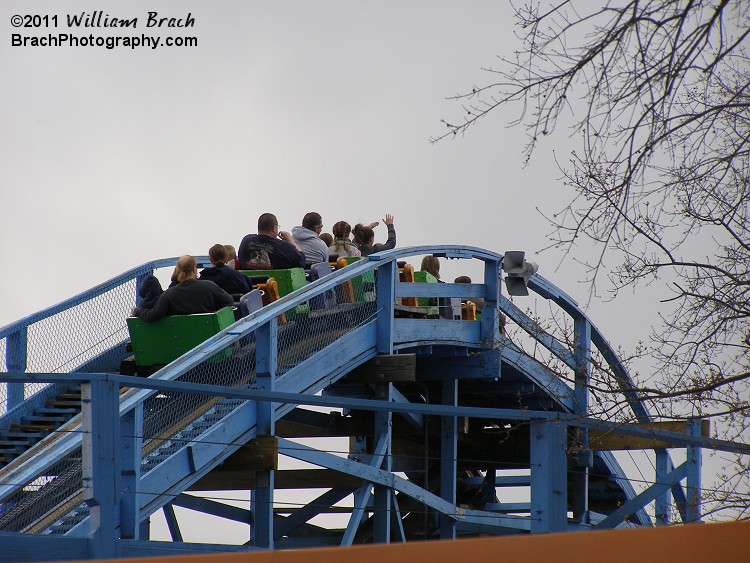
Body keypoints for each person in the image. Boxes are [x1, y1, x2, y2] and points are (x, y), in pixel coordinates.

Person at [131, 255, 234, 323]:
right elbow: (229, 301)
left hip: (181, 343)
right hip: (210, 339)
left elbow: (152, 316)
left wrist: (137, 311)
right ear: (194, 268)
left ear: (177, 270)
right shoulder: (209, 286)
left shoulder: (168, 295)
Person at [238, 213, 306, 270]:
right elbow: (301, 261)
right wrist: (290, 240)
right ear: (274, 228)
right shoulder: (283, 246)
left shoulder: (246, 241)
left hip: (250, 284)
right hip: (277, 284)